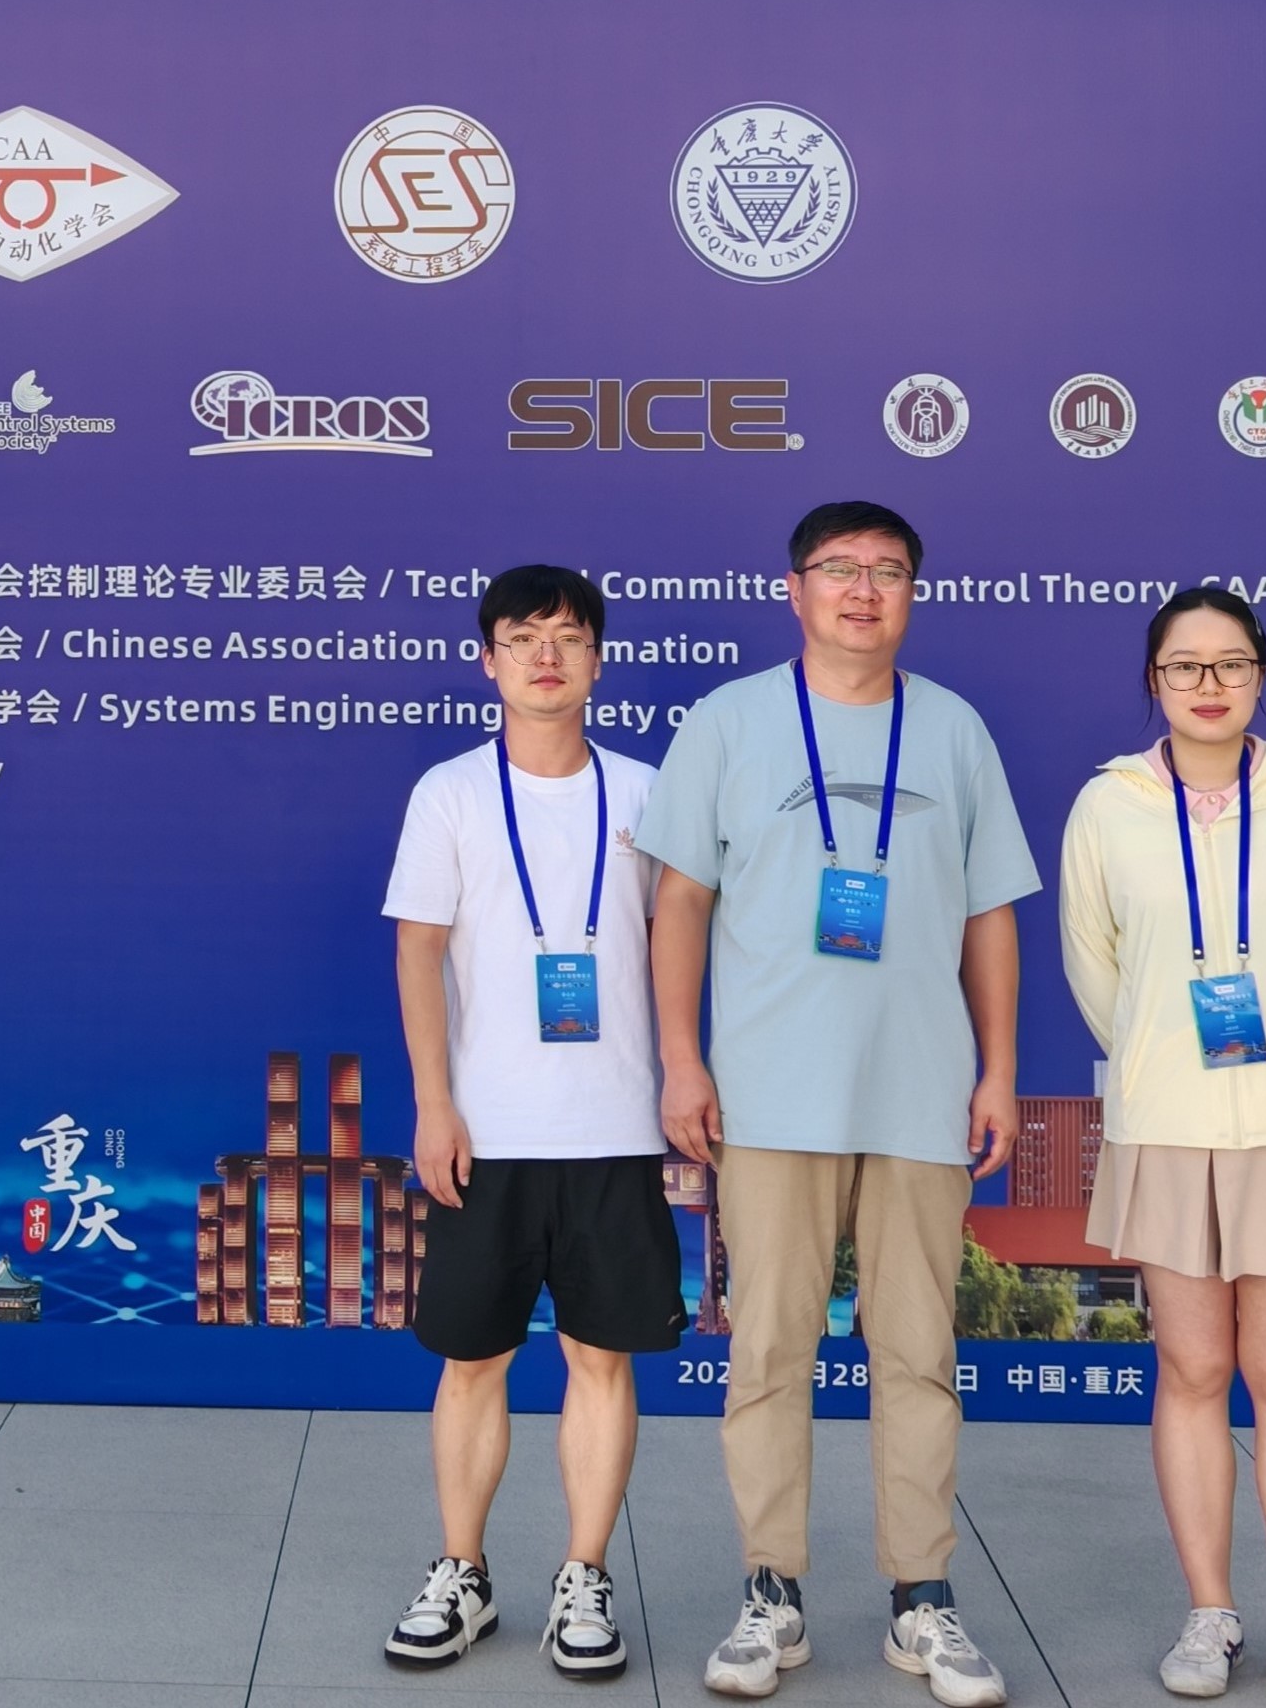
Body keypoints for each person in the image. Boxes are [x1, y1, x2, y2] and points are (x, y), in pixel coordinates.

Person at [642, 502, 1039, 1705]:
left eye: (888, 571)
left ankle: (922, 1598)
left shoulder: (954, 730)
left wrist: (998, 1070)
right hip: (768, 1099)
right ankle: (771, 1593)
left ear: (912, 592)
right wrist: (681, 1060)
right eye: (839, 569)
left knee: (918, 1353)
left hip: (921, 1098)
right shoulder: (727, 721)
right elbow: (678, 901)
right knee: (769, 1352)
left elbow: (989, 913)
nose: (863, 589)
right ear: (794, 588)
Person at [1055, 588, 1266, 1708]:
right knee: (1193, 1371)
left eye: (1231, 664)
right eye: (1184, 665)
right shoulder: (1108, 805)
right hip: (1167, 1124)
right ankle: (1209, 1614)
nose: (1208, 685)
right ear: (1152, 679)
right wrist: (1167, 1063)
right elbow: (1096, 969)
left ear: (1260, 675)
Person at [382, 563, 686, 1678]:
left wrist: (684, 1076)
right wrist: (434, 1104)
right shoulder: (450, 792)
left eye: (567, 637)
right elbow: (418, 950)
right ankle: (460, 1572)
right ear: (488, 660)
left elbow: (680, 947)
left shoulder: (649, 792)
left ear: (598, 659)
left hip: (614, 1128)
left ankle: (583, 1576)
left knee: (602, 1362)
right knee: (472, 1361)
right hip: (489, 1132)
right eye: (522, 637)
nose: (545, 655)